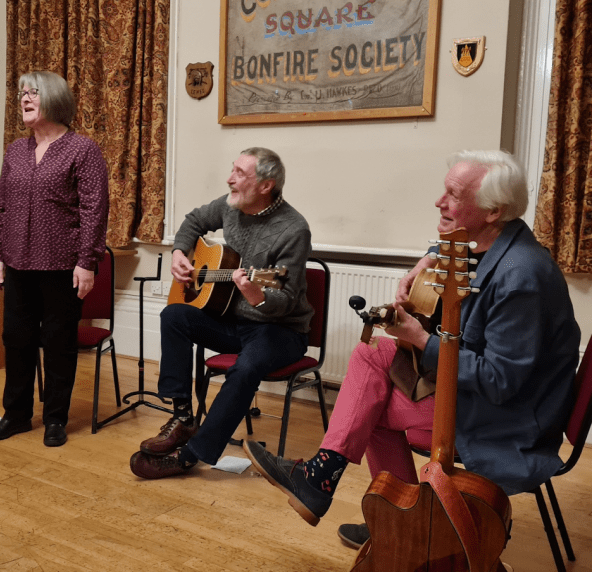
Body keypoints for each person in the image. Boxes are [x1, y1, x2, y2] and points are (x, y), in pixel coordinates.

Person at [244, 150, 580, 548]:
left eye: (453, 195)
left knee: (369, 406)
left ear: (494, 210)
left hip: (510, 419)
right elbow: (453, 247)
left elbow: (500, 381)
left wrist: (421, 339)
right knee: (371, 356)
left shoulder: (523, 277)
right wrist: (423, 262)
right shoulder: (496, 241)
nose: (440, 202)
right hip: (491, 396)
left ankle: (389, 515)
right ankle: (377, 506)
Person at [129, 147, 314, 479]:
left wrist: (258, 296)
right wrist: (178, 253)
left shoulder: (293, 229)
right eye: (233, 169)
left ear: (265, 186)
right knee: (174, 316)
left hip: (280, 330)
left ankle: (191, 456)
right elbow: (194, 220)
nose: (230, 179)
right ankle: (183, 417)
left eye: (240, 174)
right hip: (233, 319)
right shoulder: (231, 206)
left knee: (246, 367)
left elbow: (286, 299)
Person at [0, 71, 109, 447]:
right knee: (16, 339)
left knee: (57, 343)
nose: (24, 98)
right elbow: (2, 207)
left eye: (33, 92)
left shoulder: (82, 149)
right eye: (21, 93)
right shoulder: (14, 151)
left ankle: (55, 418)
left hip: (62, 266)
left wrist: (86, 261)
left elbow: (94, 209)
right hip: (17, 263)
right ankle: (16, 415)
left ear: (54, 99)